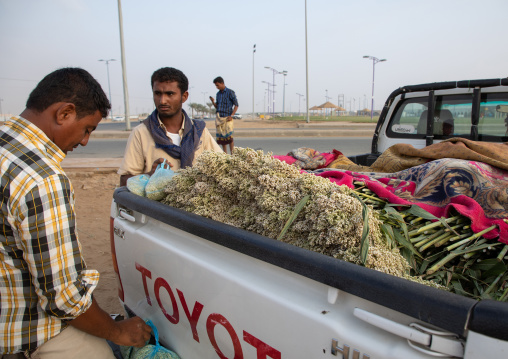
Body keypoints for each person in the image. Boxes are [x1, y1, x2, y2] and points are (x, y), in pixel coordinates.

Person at [0, 68, 151, 358]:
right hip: (29, 332)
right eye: (87, 129)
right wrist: (117, 331)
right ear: (65, 113)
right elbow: (63, 299)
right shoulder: (42, 179)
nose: (84, 142)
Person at [118, 67, 222, 187]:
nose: (162, 101)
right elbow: (124, 181)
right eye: (157, 94)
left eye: (170, 94)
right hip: (156, 205)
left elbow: (222, 166)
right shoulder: (141, 133)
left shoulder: (198, 131)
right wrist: (149, 176)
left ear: (184, 96)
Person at [210, 76, 239, 154]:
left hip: (228, 117)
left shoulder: (230, 92)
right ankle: (225, 154)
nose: (217, 87)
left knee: (229, 137)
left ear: (222, 83)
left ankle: (232, 154)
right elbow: (217, 107)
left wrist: (232, 115)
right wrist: (213, 102)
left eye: (217, 85)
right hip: (220, 118)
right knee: (222, 138)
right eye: (216, 86)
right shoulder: (218, 94)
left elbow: (236, 105)